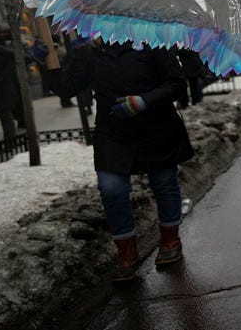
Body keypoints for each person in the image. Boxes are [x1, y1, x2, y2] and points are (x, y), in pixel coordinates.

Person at [55, 38, 193, 285]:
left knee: (164, 183)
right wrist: (51, 63)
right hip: (113, 132)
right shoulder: (88, 52)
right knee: (111, 189)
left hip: (156, 127)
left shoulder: (153, 42)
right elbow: (67, 88)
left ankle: (170, 241)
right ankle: (126, 254)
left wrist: (144, 101)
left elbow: (177, 84)